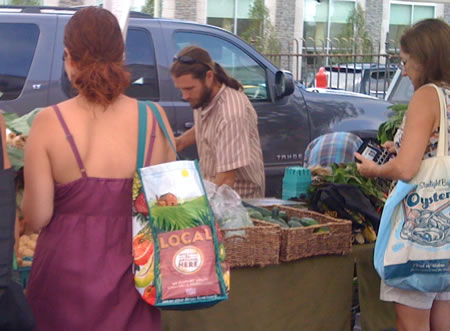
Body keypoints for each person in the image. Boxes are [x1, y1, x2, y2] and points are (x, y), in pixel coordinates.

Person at [22, 7, 175, 331]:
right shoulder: (154, 119)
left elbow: (37, 217)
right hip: (136, 278)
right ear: (120, 55)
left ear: (68, 57)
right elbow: (169, 210)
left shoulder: (48, 122)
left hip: (61, 281)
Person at [355, 19, 450, 331]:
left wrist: (376, 168)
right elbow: (434, 152)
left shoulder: (427, 96)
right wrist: (401, 150)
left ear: (424, 59)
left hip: (418, 234)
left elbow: (408, 169)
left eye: (406, 62)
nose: (405, 72)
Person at [170, 46, 265, 198]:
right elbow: (207, 127)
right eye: (181, 89)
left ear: (209, 77)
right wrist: (180, 142)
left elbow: (226, 179)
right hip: (210, 190)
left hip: (239, 203)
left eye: (189, 89)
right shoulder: (204, 96)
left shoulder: (231, 113)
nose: (185, 96)